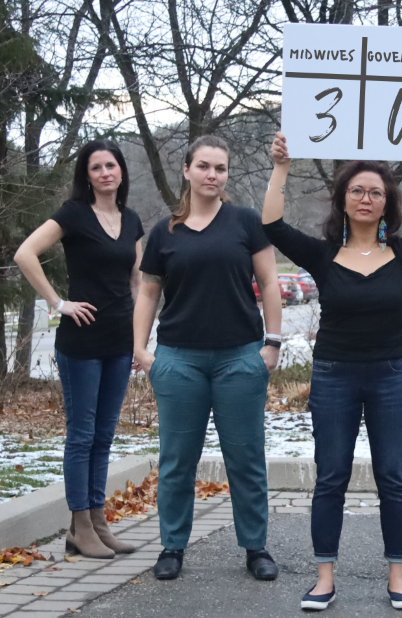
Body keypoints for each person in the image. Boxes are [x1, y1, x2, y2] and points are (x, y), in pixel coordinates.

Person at [262, 131, 402, 611]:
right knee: (331, 475)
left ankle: (397, 577)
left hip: (392, 376)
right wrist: (281, 166)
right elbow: (271, 224)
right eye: (357, 190)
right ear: (343, 199)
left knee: (392, 476)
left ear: (387, 203)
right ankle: (323, 578)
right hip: (335, 375)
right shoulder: (321, 254)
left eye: (375, 192)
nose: (365, 198)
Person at [133, 135, 282, 581]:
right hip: (178, 361)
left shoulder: (245, 222)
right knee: (177, 459)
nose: (212, 175)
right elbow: (148, 291)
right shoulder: (165, 232)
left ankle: (256, 547)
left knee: (246, 458)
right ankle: (172, 547)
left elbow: (271, 284)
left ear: (227, 174)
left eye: (220, 168)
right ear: (186, 170)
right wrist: (141, 349)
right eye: (204, 166)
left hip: (241, 359)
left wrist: (271, 343)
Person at [14, 140, 143, 559]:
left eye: (111, 165)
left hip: (120, 341)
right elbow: (25, 253)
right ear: (86, 176)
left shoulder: (132, 219)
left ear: (121, 171)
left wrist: (141, 340)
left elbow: (138, 284)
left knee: (104, 436)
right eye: (96, 167)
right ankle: (80, 523)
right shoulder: (73, 214)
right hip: (81, 341)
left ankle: (96, 523)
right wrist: (58, 303)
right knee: (82, 436)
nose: (106, 172)